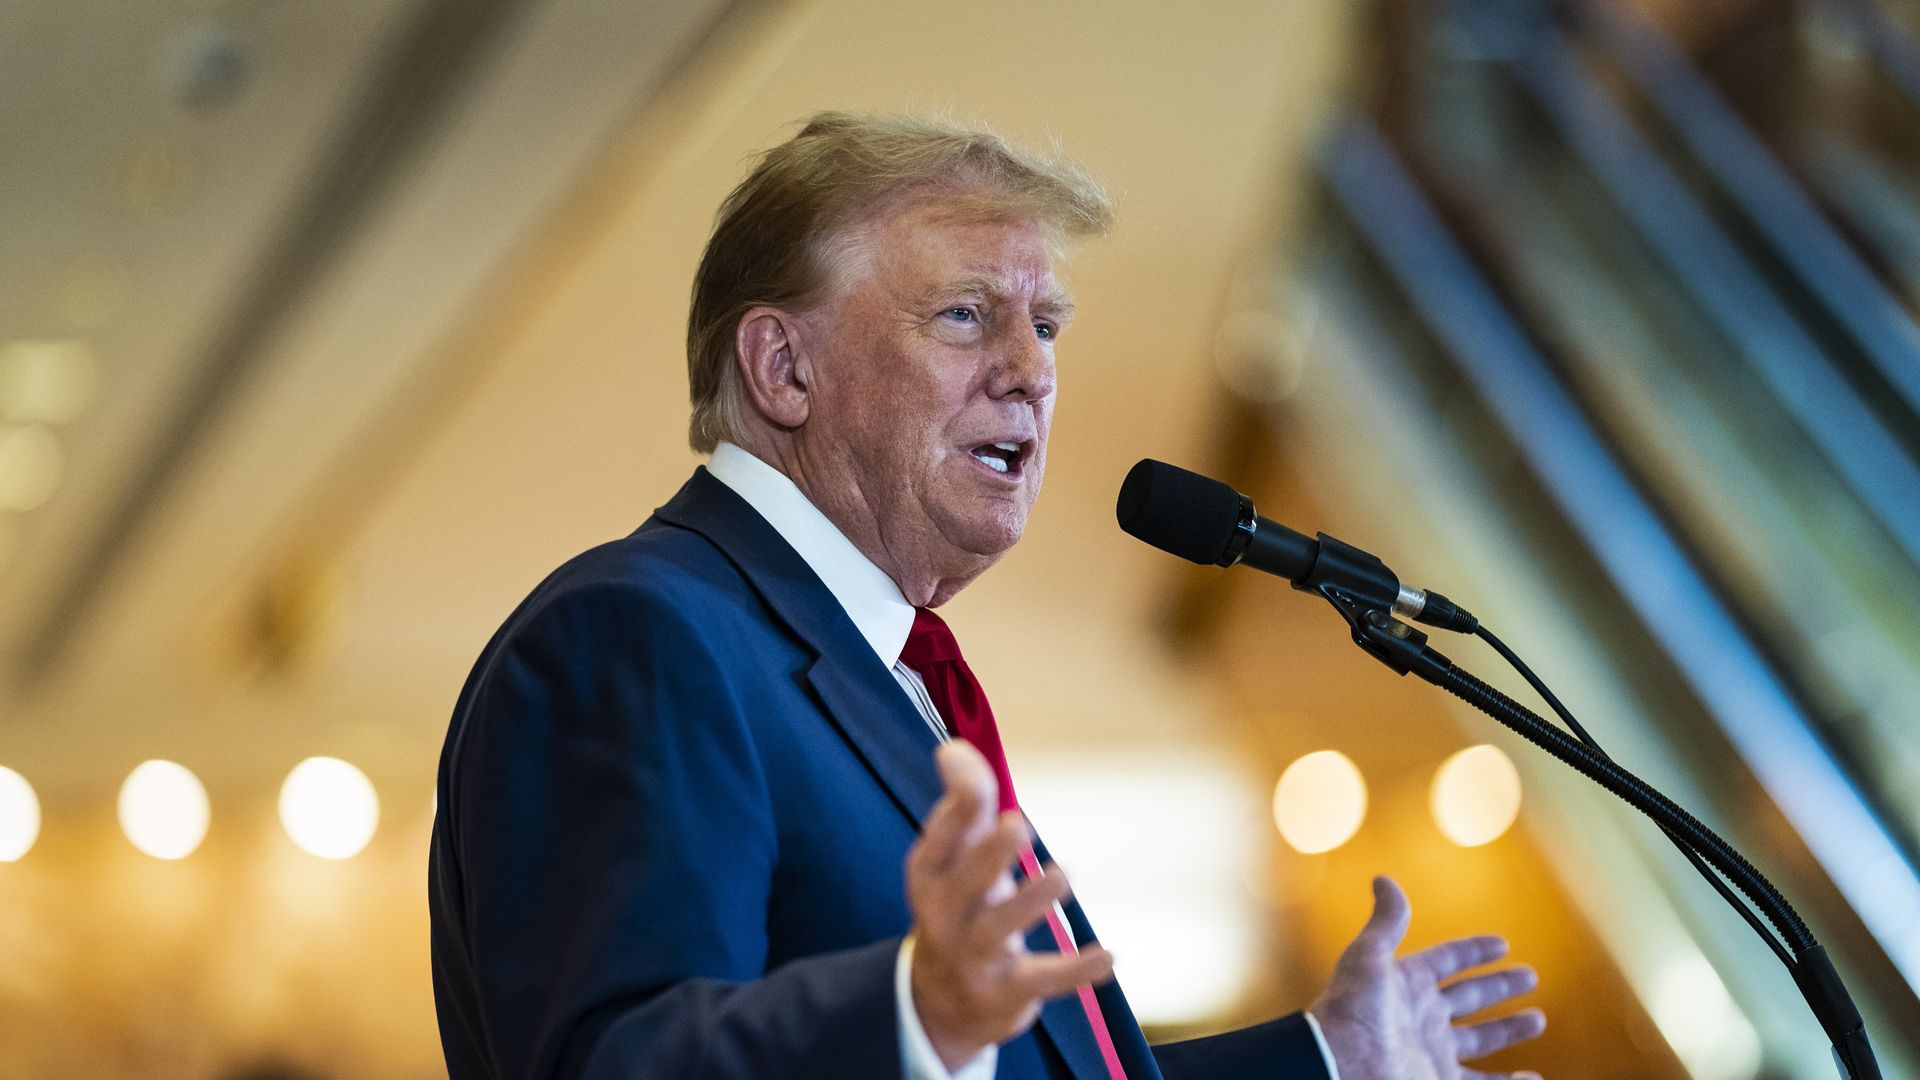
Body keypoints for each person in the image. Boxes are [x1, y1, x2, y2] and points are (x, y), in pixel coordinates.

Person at [428, 111, 1546, 1080]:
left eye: (1045, 322)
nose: (1034, 368)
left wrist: (1323, 1060)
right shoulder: (639, 638)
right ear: (783, 370)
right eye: (965, 315)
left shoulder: (883, 670)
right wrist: (912, 1014)